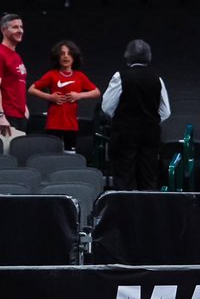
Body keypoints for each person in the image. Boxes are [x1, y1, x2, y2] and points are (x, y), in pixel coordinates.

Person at [102, 39, 171, 191]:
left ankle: (124, 205)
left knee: (124, 177)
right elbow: (165, 111)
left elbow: (107, 107)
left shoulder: (120, 76)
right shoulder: (157, 78)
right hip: (150, 134)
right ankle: (148, 205)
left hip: (124, 134)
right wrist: (149, 120)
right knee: (148, 177)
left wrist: (122, 118)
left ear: (128, 56)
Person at [28, 39, 100, 151]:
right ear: (57, 57)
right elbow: (31, 89)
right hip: (53, 124)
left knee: (70, 153)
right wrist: (50, 97)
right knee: (52, 153)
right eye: (62, 54)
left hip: (71, 125)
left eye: (69, 53)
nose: (66, 56)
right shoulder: (51, 75)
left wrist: (79, 95)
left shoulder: (80, 76)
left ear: (74, 57)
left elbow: (96, 92)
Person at [0, 13, 27, 149]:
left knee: (18, 155)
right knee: (6, 157)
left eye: (21, 27)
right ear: (3, 30)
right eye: (15, 27)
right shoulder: (1, 53)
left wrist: (25, 108)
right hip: (7, 116)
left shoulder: (16, 56)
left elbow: (17, 84)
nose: (20, 30)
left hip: (19, 115)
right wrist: (0, 116)